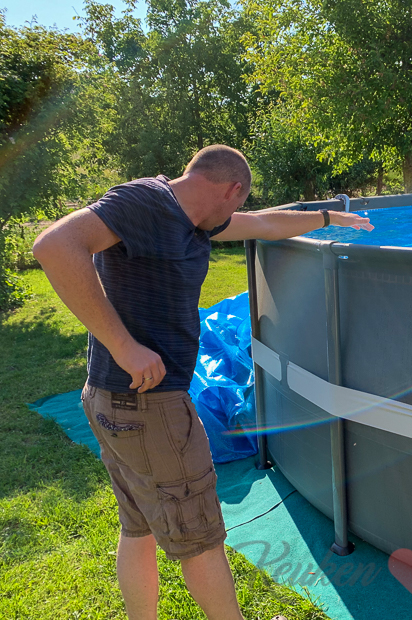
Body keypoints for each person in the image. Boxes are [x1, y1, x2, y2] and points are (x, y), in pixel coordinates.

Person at [32, 145, 373, 620]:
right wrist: (123, 345)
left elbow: (264, 224)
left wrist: (328, 219)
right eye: (238, 201)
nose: (237, 212)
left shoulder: (191, 220)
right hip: (146, 405)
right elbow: (53, 246)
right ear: (231, 188)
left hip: (113, 400)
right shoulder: (146, 202)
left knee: (139, 527)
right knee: (201, 537)